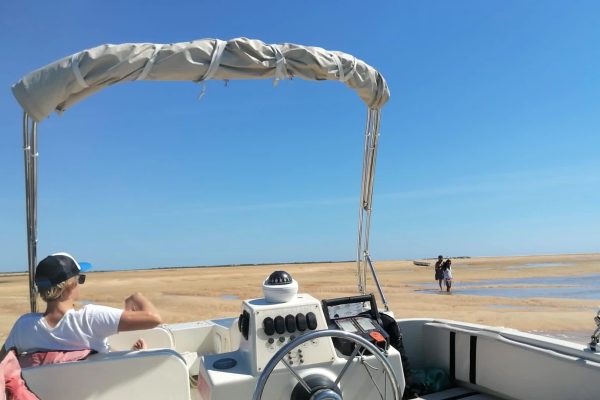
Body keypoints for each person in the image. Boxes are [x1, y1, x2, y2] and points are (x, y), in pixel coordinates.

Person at [0, 252, 162, 361]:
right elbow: (154, 319)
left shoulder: (24, 326)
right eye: (80, 279)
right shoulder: (89, 318)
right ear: (70, 285)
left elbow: (3, 360)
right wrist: (135, 296)